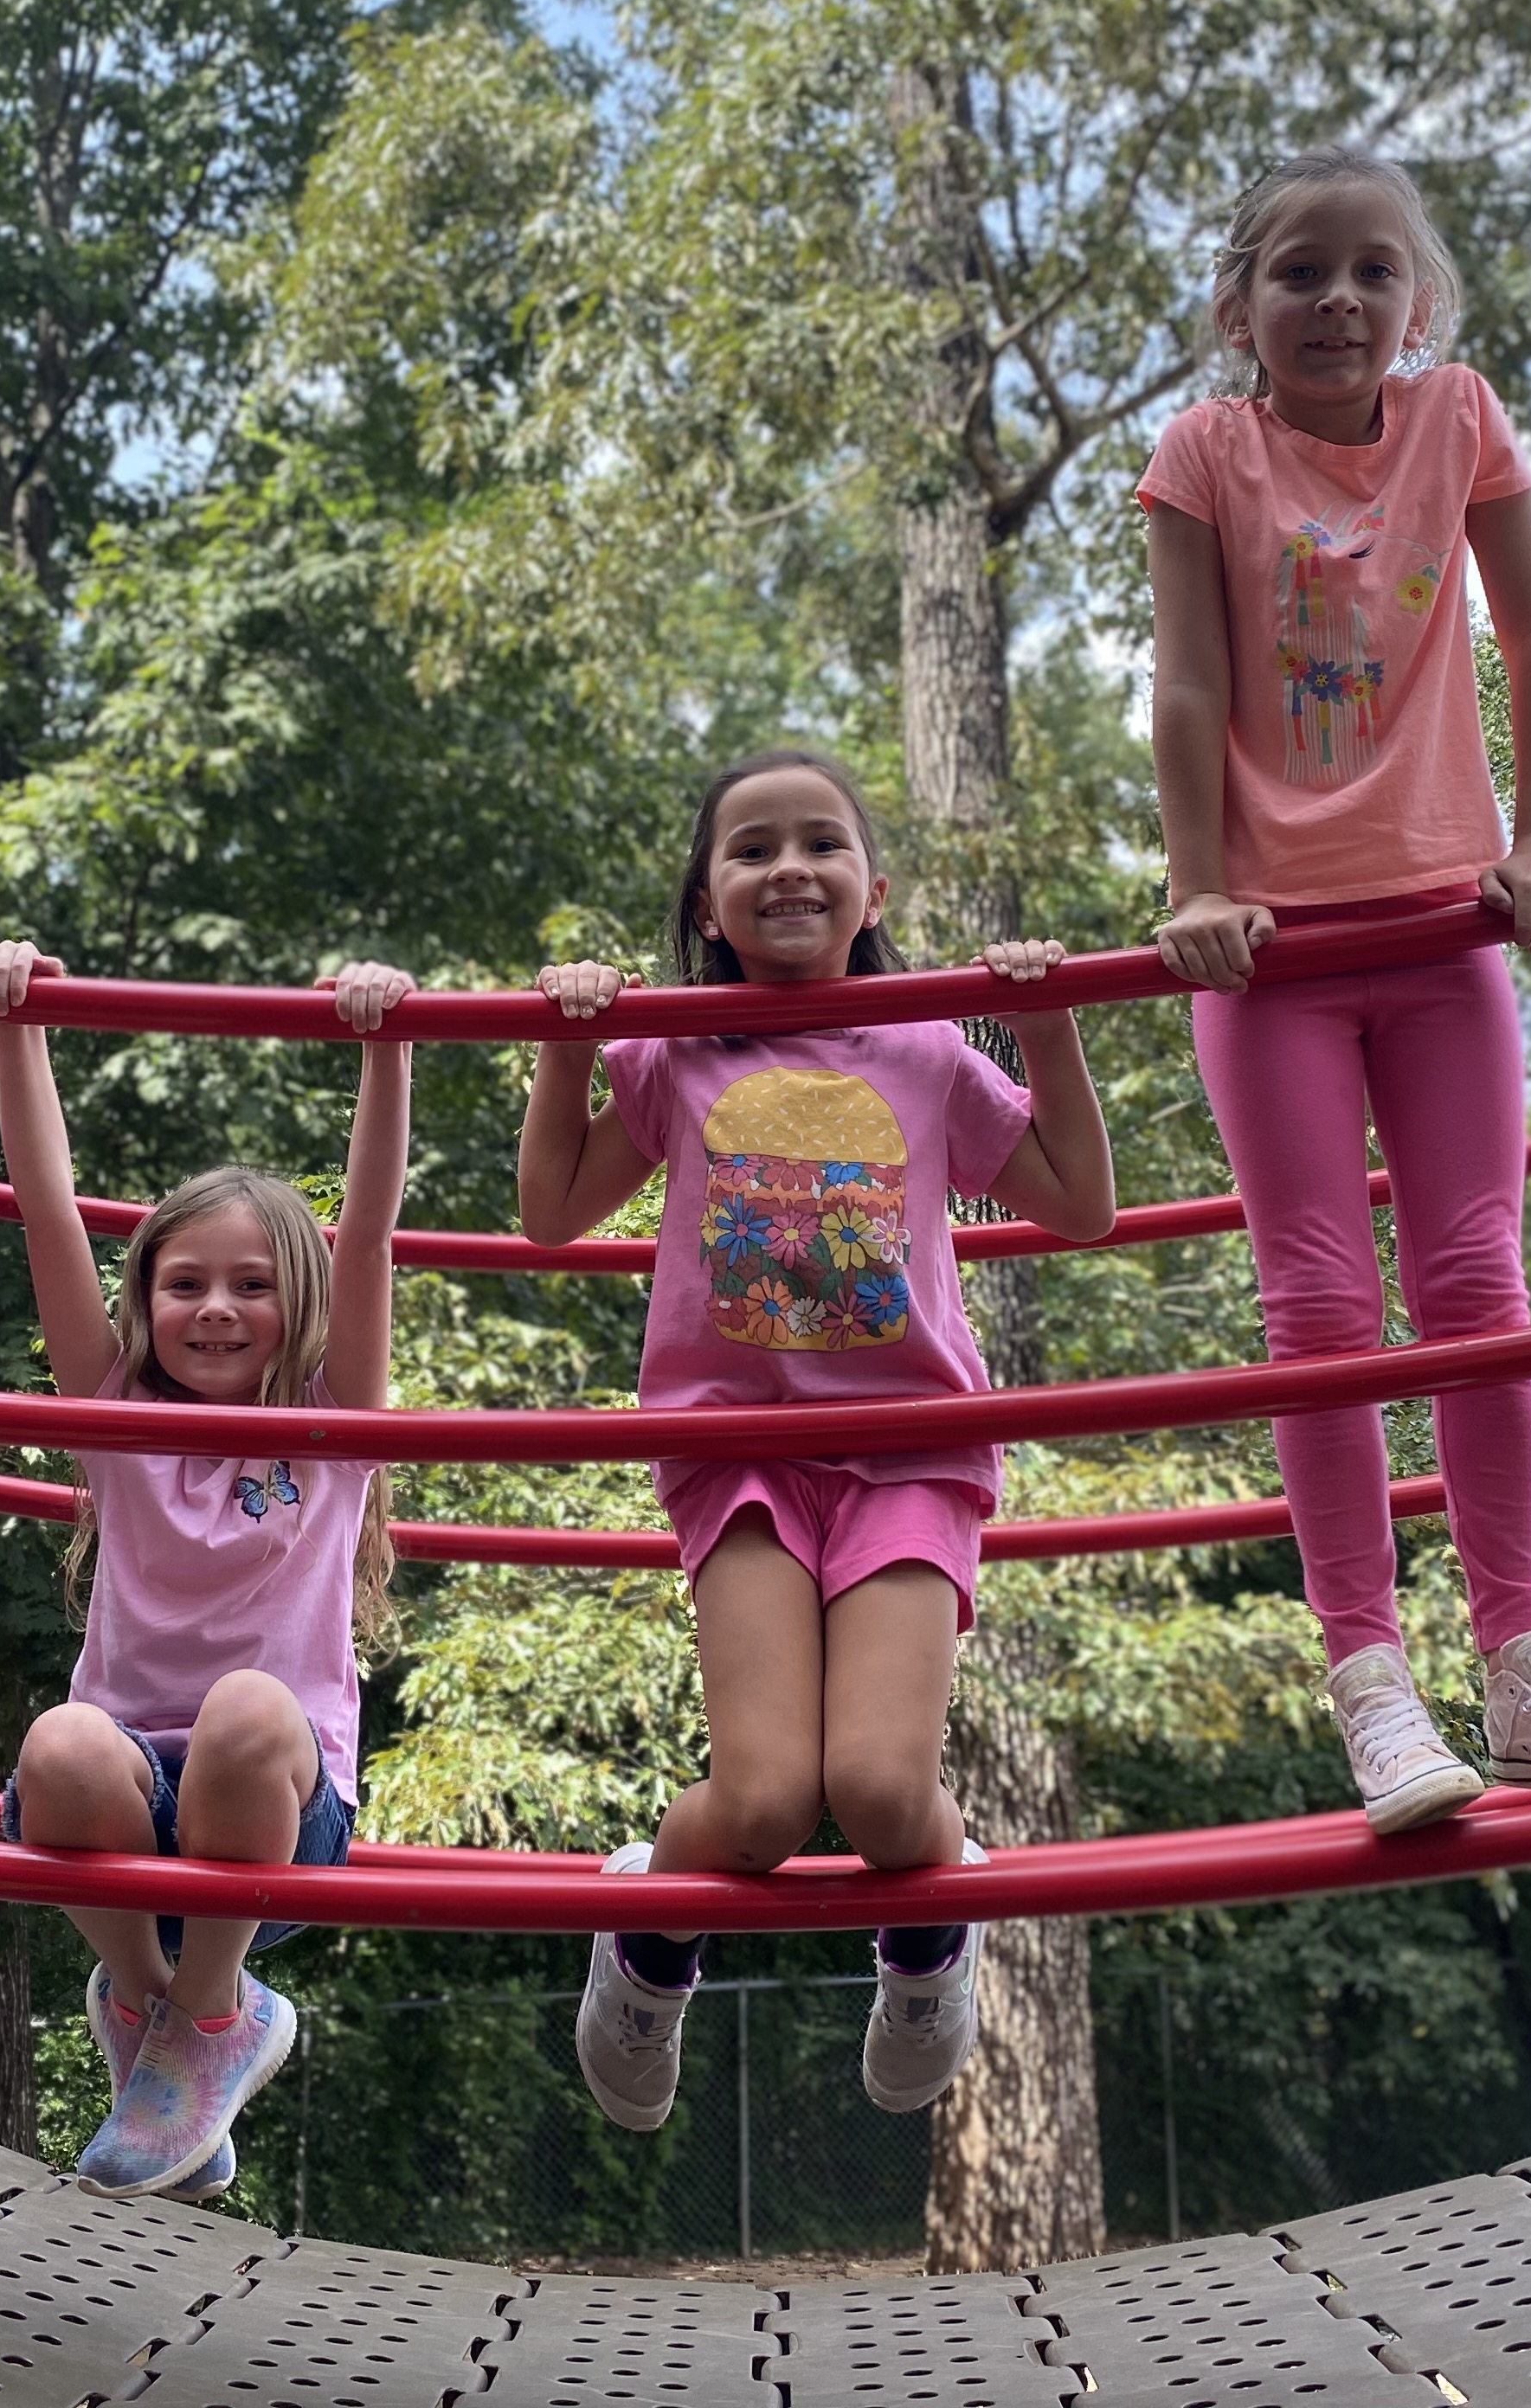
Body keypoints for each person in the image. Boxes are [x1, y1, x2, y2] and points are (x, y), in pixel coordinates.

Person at [1137, 146, 1531, 1834]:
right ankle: (1373, 1684)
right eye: (1298, 272)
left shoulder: (1458, 419)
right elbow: (1187, 686)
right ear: (1238, 308)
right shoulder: (1205, 454)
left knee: (1479, 1284)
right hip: (1279, 956)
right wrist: (1198, 884)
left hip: (1448, 934)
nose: (1338, 300)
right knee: (1319, 1308)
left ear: (1420, 303)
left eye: (1374, 271)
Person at [519, 749, 1115, 2133]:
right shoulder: (673, 1048)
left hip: (907, 1449)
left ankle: (927, 1949)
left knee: (885, 1791)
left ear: (871, 887)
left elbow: (1079, 1203)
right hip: (740, 1454)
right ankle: (649, 1944)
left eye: (821, 844)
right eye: (751, 850)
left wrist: (1056, 1022)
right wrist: (564, 1046)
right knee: (774, 1802)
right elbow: (552, 1209)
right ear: (710, 906)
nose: (789, 866)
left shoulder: (923, 1043)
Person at [0, 937, 415, 2202]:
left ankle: (210, 2007)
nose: (216, 1308)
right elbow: (47, 1211)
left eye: (254, 1285)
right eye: (184, 1285)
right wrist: (20, 1024)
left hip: (273, 1814)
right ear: (143, 1302)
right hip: (114, 1805)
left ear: (306, 1306)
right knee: (57, 1738)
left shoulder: (334, 1426)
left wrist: (385, 1053)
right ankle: (152, 2005)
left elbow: (371, 1228)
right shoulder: (112, 1412)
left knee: (245, 1708)